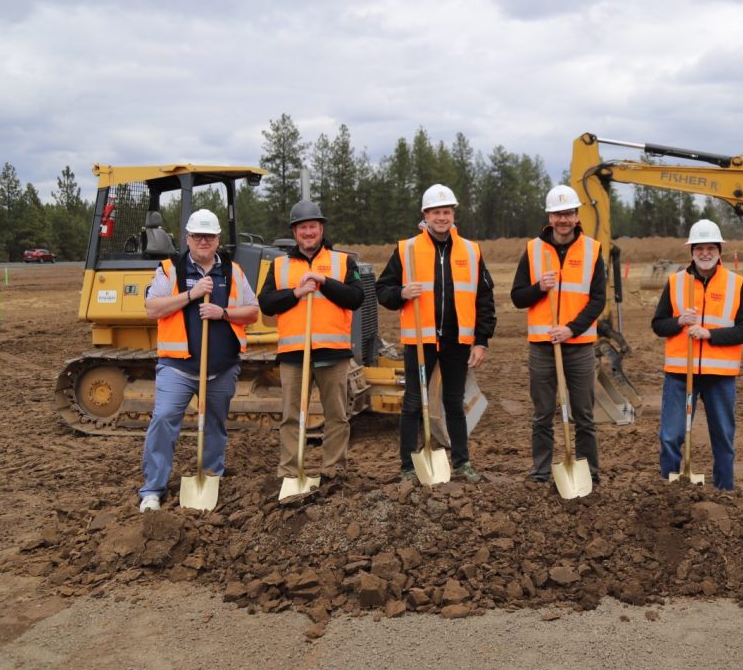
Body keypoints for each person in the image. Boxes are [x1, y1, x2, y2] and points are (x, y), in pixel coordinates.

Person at [138, 209, 259, 511]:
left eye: (209, 236)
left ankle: (211, 477)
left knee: (215, 425)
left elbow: (253, 312)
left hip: (221, 369)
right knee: (164, 419)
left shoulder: (233, 271)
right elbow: (152, 308)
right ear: (187, 238)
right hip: (177, 367)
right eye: (197, 236)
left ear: (217, 239)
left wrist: (224, 313)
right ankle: (152, 489)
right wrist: (192, 294)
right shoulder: (170, 270)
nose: (203, 241)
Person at [375, 184, 496, 483]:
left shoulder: (471, 250)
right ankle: (407, 467)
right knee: (413, 402)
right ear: (425, 215)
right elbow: (383, 290)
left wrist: (481, 341)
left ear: (453, 214)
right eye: (435, 212)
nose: (442, 217)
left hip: (457, 341)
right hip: (421, 340)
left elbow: (484, 298)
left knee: (454, 402)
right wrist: (401, 293)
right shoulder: (407, 249)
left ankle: (462, 463)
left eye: (446, 212)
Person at [258, 200, 364, 483]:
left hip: (333, 353)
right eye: (302, 227)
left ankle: (334, 470)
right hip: (294, 354)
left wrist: (323, 281)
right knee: (292, 416)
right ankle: (290, 473)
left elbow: (356, 297)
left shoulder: (343, 262)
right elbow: (265, 303)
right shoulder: (279, 266)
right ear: (294, 232)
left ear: (321, 229)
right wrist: (295, 293)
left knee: (337, 415)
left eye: (312, 227)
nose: (308, 232)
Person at [510, 184, 606, 484]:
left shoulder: (592, 250)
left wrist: (571, 329)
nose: (563, 220)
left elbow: (598, 300)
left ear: (577, 216)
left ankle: (589, 472)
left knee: (584, 415)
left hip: (579, 345)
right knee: (543, 413)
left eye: (568, 213)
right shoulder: (532, 250)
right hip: (542, 346)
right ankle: (541, 471)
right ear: (549, 218)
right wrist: (539, 287)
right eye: (558, 214)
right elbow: (517, 297)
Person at [650, 220, 743, 490]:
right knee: (670, 436)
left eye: (710, 248)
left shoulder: (736, 283)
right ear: (691, 251)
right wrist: (679, 321)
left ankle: (724, 492)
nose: (705, 253)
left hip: (720, 376)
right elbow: (658, 325)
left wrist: (710, 334)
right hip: (680, 374)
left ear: (719, 251)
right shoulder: (675, 283)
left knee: (723, 440)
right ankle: (670, 491)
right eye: (699, 248)